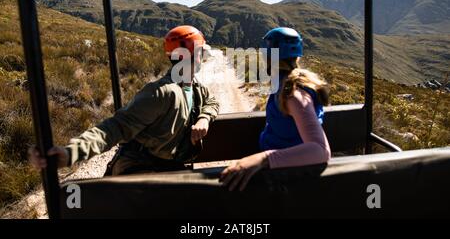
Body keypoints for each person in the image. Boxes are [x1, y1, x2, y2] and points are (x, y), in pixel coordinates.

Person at [29, 25, 219, 175]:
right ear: (194, 56)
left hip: (169, 166)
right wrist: (71, 153)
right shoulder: (161, 93)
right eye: (202, 53)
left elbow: (212, 102)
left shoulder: (195, 87)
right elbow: (115, 127)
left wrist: (204, 118)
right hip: (143, 168)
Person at [220, 27, 331, 191]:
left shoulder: (293, 94)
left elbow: (320, 150)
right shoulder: (286, 82)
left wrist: (263, 159)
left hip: (286, 179)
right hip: (283, 171)